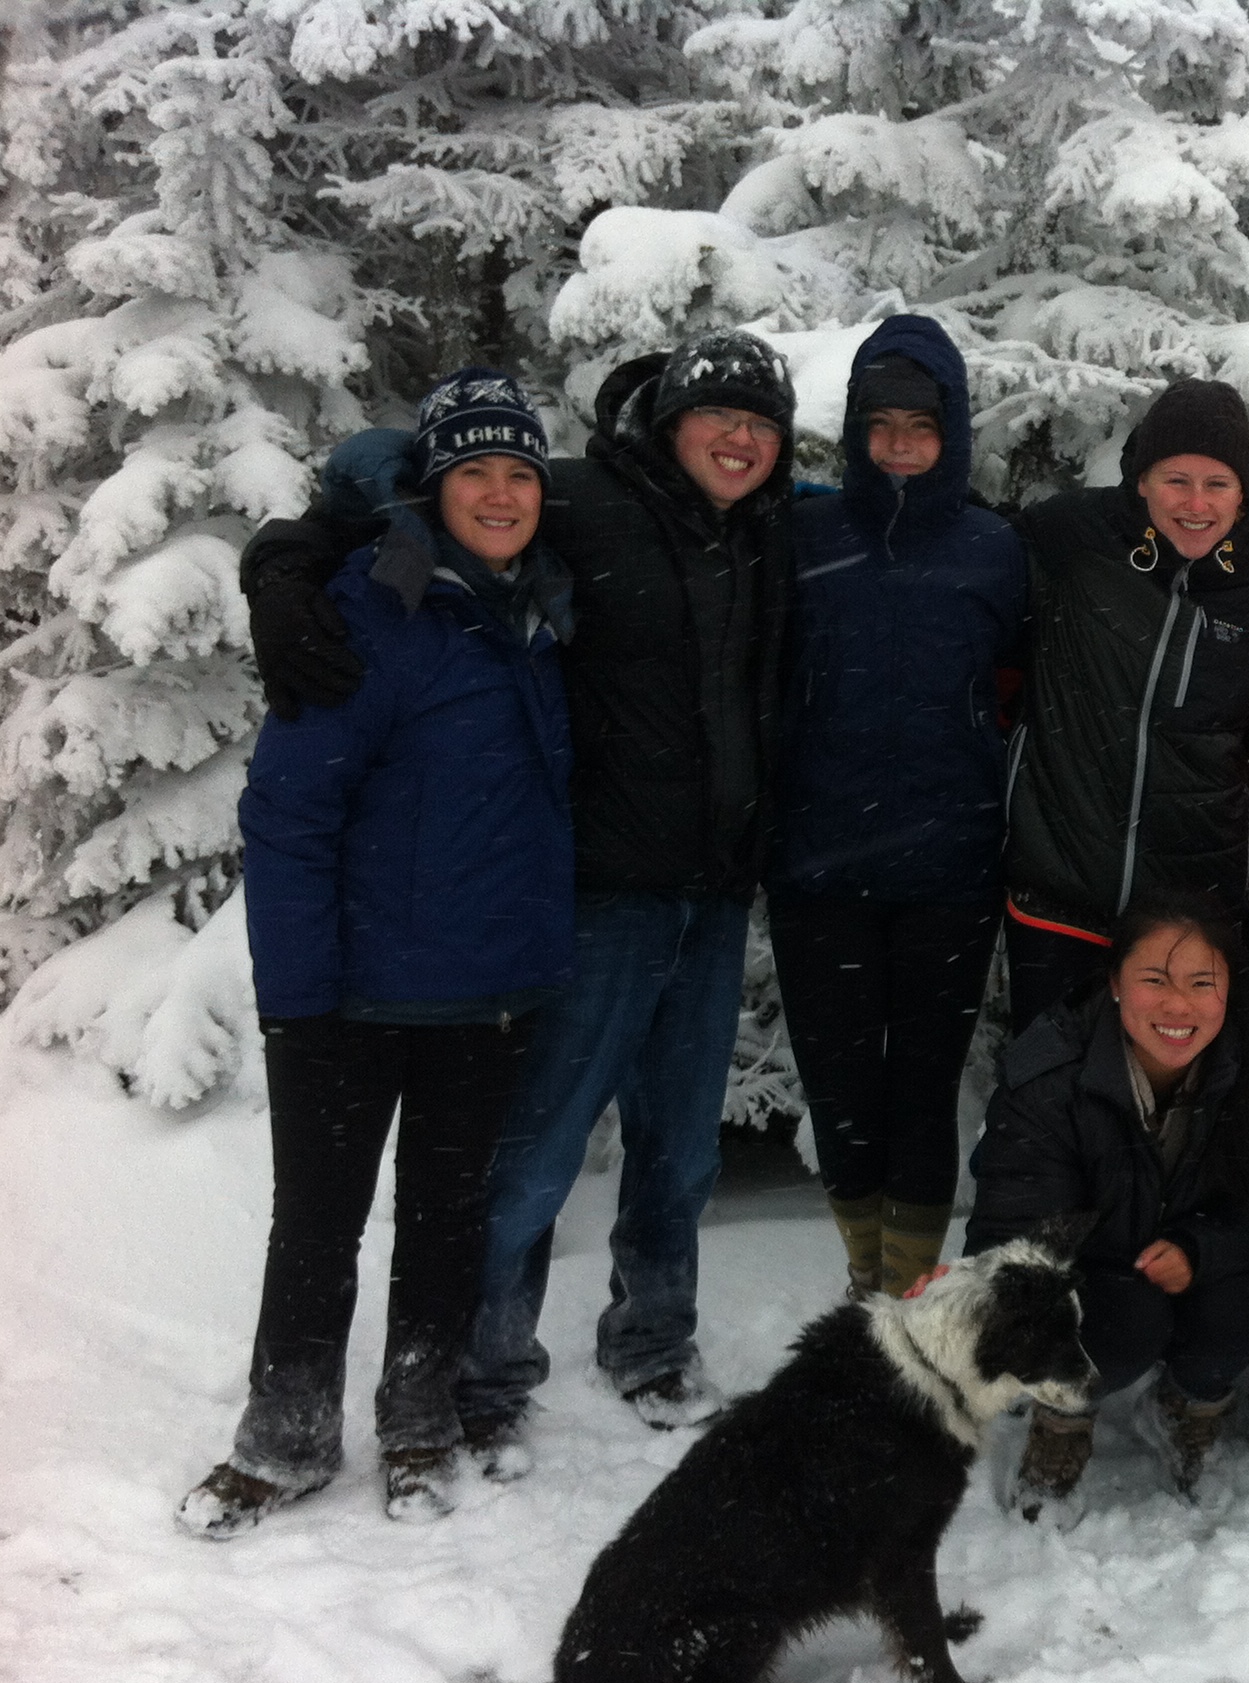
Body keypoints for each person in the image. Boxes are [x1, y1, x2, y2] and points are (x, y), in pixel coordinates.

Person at [243, 329, 799, 1467]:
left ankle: (652, 1343)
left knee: (680, 1153)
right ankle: (485, 1374)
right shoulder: (582, 499)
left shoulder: (777, 530)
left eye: (761, 421)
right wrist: (286, 560)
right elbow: (388, 475)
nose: (738, 438)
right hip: (594, 894)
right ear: (667, 423)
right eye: (717, 415)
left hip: (712, 893)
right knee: (535, 1157)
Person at [181, 370, 574, 1536]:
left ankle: (419, 1423)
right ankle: (284, 1440)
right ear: (435, 486)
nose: (500, 495)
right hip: (350, 995)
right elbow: (288, 814)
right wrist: (297, 996)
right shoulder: (366, 610)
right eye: (475, 473)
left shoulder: (544, 613)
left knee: (447, 1217)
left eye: (520, 474)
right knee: (319, 1219)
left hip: (489, 988)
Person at [769, 317, 1026, 1295]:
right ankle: (863, 1275)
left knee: (923, 1095)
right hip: (817, 871)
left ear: (952, 429)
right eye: (883, 425)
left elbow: (1025, 675)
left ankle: (907, 1289)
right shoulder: (802, 535)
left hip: (948, 875)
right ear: (856, 428)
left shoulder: (994, 549)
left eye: (923, 424)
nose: (903, 442)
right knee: (842, 1094)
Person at [963, 895, 1249, 1515]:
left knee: (1238, 1310)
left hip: (1201, 1258)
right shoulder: (1051, 1074)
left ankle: (1185, 1408)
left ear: (1228, 992)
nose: (1177, 1004)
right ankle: (1061, 1420)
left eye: (1201, 983)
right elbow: (1012, 1233)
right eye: (1154, 980)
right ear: (1114, 983)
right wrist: (1100, 1273)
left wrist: (1200, 1249)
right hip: (1088, 1276)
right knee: (1122, 1320)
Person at [1003, 380, 1249, 1024]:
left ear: (1245, 496)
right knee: (1046, 1091)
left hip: (1186, 905)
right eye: (1175, 480)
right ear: (1139, 480)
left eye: (1217, 485)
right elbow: (974, 566)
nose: (1195, 503)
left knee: (1169, 1101)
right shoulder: (1075, 536)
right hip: (1060, 888)